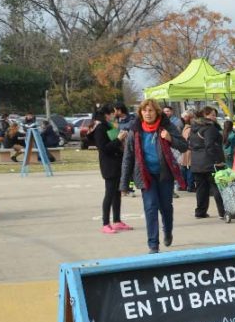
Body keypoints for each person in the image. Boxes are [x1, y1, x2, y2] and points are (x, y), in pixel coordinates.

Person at [119, 99, 187, 253]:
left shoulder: (167, 126)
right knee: (150, 207)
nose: (148, 113)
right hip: (146, 175)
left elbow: (184, 146)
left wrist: (170, 138)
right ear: (140, 113)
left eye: (151, 110)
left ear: (157, 112)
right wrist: (124, 184)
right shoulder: (135, 130)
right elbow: (128, 158)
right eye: (144, 111)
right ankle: (153, 244)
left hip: (164, 174)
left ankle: (167, 231)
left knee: (166, 207)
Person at [91, 105, 131, 234]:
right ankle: (105, 223)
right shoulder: (100, 128)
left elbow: (114, 143)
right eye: (112, 113)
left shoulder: (110, 126)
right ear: (106, 115)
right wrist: (119, 139)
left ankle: (117, 220)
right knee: (109, 193)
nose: (115, 115)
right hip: (109, 165)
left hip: (117, 162)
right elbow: (104, 148)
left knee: (116, 193)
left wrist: (122, 140)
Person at [188, 106, 226, 219]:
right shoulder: (209, 128)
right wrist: (217, 160)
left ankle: (200, 212)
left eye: (215, 115)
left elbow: (191, 144)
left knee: (201, 188)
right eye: (212, 115)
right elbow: (210, 146)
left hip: (196, 162)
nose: (215, 117)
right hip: (210, 162)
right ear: (205, 115)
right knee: (217, 187)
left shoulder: (193, 128)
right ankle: (223, 212)